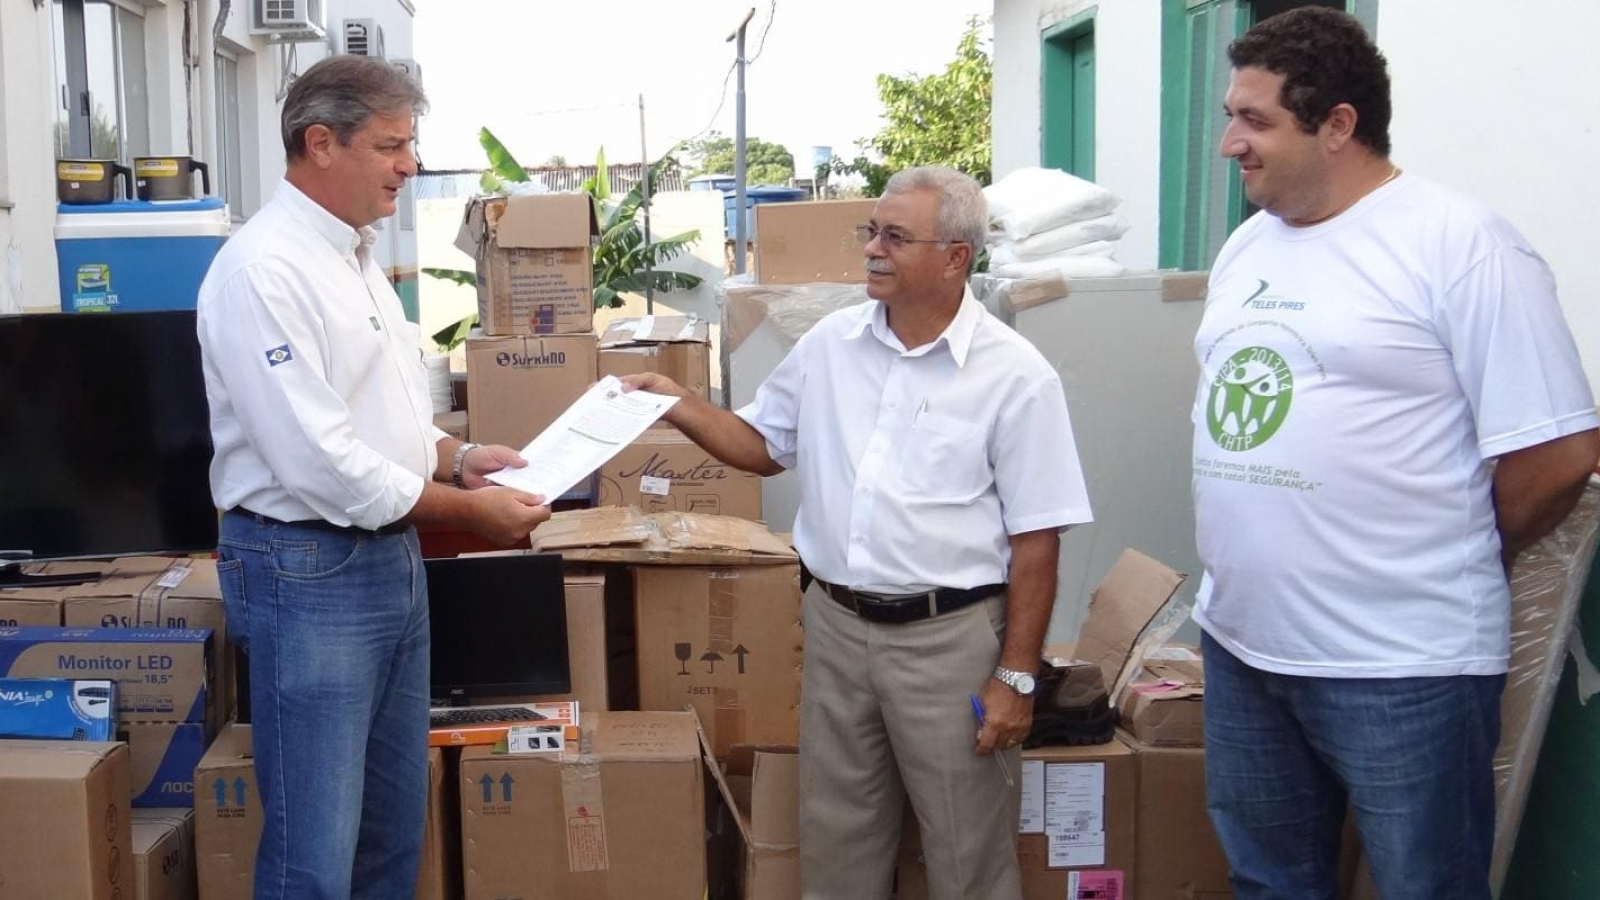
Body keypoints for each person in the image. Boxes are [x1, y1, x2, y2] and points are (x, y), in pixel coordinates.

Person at [1192, 9, 1599, 899]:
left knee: (1426, 888)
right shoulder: (1248, 245)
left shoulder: (1460, 245)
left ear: (1339, 125)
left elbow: (1560, 454)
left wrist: (1450, 548)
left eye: (1255, 120)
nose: (1230, 144)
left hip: (1401, 665)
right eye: (1232, 115)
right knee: (1268, 884)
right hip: (1245, 646)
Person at [622, 166, 1091, 900]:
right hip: (837, 629)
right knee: (837, 848)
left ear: (955, 257)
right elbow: (763, 447)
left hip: (951, 645)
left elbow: (1039, 539)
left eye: (896, 237)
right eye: (870, 231)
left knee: (969, 859)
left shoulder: (1015, 376)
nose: (872, 249)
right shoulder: (831, 345)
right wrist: (677, 402)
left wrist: (1016, 677)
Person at [196, 55, 551, 900]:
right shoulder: (263, 272)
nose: (410, 165)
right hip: (307, 569)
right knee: (313, 852)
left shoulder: (356, 259)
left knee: (393, 831)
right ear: (321, 142)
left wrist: (458, 456)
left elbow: (382, 415)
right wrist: (469, 509)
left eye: (411, 144)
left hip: (386, 562)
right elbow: (320, 462)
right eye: (392, 145)